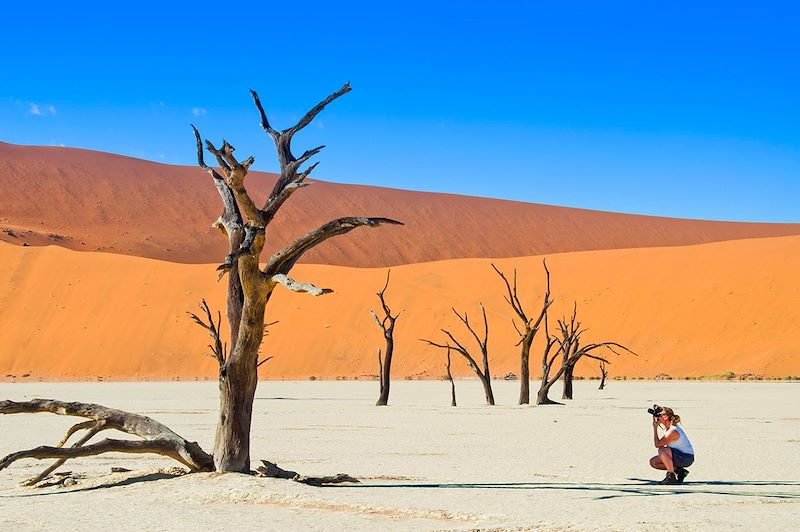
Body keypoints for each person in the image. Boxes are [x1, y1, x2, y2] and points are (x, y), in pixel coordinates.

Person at [649, 406, 694, 484]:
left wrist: (655, 428)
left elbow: (657, 444)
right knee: (654, 462)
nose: (657, 417)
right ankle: (680, 471)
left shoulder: (672, 431)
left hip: (686, 457)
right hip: (680, 456)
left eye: (660, 415)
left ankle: (671, 476)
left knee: (662, 450)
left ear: (665, 417)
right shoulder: (669, 427)